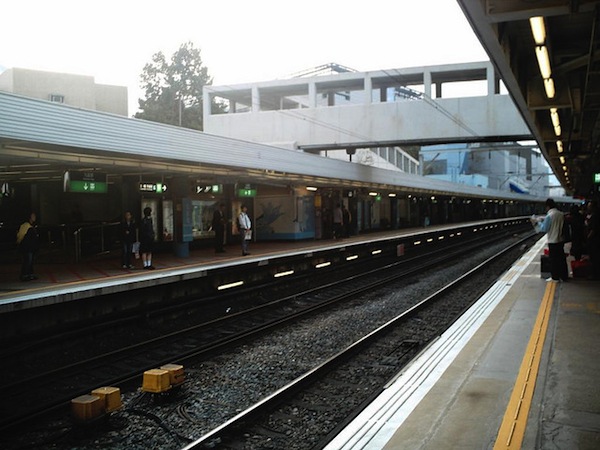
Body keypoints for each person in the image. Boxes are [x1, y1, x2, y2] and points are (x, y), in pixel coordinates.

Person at [532, 198, 568, 282]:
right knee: (561, 259)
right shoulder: (561, 214)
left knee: (554, 260)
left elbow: (544, 229)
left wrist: (537, 222)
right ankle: (563, 276)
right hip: (560, 240)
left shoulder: (549, 216)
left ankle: (555, 277)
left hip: (552, 240)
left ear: (547, 206)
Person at [16, 212, 39, 281]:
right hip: (26, 247)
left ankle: (30, 274)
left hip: (31, 247)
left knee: (30, 261)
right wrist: (19, 243)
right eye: (33, 216)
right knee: (27, 261)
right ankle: (24, 275)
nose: (34, 217)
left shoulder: (32, 226)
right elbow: (20, 236)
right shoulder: (25, 225)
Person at [585, 200, 600, 280]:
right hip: (594, 240)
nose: (588, 208)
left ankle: (595, 274)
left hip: (594, 241)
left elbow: (593, 229)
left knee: (594, 258)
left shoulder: (595, 216)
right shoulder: (594, 215)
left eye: (589, 206)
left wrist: (588, 238)